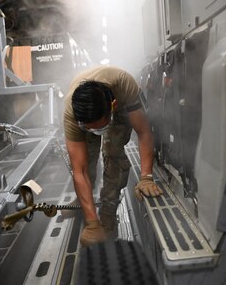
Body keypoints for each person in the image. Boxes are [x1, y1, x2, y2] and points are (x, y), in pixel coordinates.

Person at [63, 65, 163, 246]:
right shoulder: (72, 112)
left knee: (112, 152)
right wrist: (92, 224)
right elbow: (79, 169)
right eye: (89, 128)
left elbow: (144, 132)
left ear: (112, 107)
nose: (95, 132)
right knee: (87, 158)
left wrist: (146, 177)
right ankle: (84, 202)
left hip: (121, 106)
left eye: (99, 126)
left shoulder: (126, 88)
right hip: (92, 114)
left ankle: (108, 217)